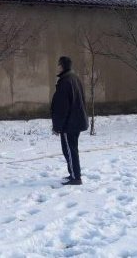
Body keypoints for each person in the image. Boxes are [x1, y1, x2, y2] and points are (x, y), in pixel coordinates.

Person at [51, 56, 89, 185]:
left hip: (70, 124)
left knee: (70, 151)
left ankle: (75, 177)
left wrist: (57, 126)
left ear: (63, 66)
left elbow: (62, 107)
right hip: (75, 121)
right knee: (71, 150)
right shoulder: (74, 78)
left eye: (59, 65)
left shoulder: (66, 81)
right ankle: (73, 174)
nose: (57, 67)